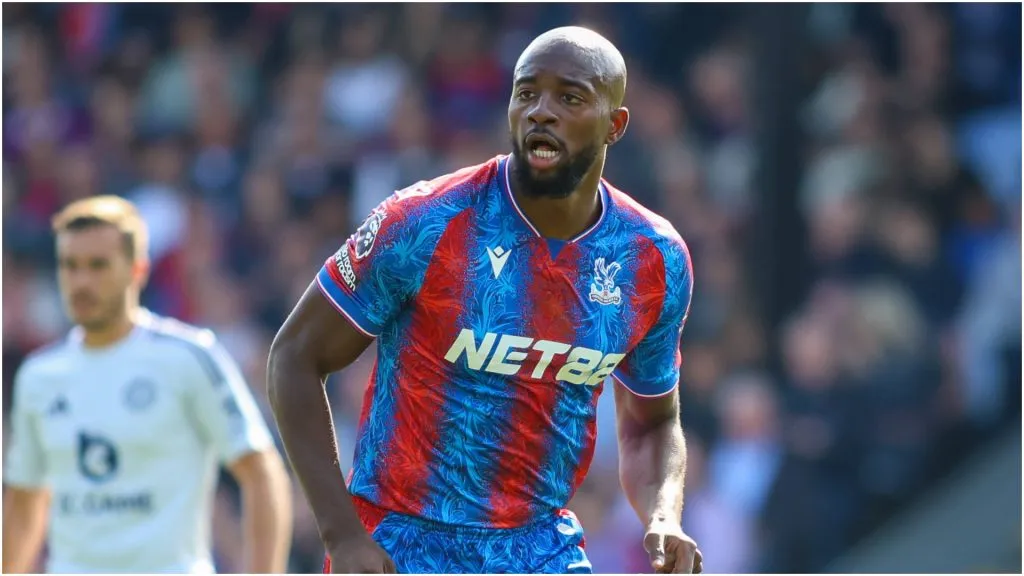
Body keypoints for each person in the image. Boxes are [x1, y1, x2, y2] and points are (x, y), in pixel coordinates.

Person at [269, 26, 702, 574]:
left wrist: (664, 514)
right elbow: (294, 356)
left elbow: (652, 420)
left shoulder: (654, 258)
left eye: (569, 98)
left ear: (614, 125)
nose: (541, 112)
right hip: (400, 544)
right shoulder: (423, 221)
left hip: (540, 547)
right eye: (527, 93)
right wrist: (342, 535)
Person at [2, 196, 293, 574]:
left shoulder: (189, 357)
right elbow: (26, 501)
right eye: (69, 266)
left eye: (98, 266)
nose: (81, 281)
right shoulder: (38, 375)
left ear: (137, 269)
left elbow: (262, 471)